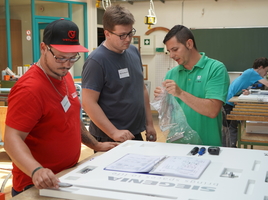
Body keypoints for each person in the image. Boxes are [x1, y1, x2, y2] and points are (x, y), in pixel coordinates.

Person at [4, 19, 118, 197]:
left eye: (73, 58)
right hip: (35, 184)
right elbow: (12, 139)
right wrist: (36, 170)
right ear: (43, 48)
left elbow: (72, 118)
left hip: (66, 176)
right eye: (61, 57)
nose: (67, 64)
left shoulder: (64, 76)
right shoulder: (30, 89)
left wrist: (95, 144)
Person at [81, 5, 156, 143]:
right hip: (108, 137)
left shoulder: (133, 52)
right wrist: (113, 132)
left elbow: (142, 89)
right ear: (107, 34)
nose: (128, 39)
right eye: (122, 35)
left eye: (130, 33)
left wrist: (149, 124)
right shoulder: (96, 61)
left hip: (135, 132)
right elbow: (88, 103)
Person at [154, 25, 230, 146]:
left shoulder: (215, 69)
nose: (171, 55)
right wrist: (162, 100)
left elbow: (212, 110)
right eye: (169, 51)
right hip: (177, 144)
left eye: (175, 49)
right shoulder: (171, 74)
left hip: (207, 145)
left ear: (189, 44)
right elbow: (167, 116)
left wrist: (180, 93)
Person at [224, 57, 268, 147]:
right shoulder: (252, 73)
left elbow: (243, 86)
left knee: (234, 126)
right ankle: (230, 147)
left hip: (233, 99)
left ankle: (232, 146)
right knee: (231, 127)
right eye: (266, 71)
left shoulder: (250, 73)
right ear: (260, 67)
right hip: (229, 102)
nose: (266, 74)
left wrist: (246, 91)